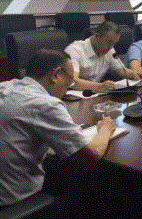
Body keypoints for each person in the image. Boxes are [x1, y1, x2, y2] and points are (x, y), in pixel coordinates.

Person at [0, 49, 115, 208]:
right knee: (91, 191)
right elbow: (91, 155)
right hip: (14, 198)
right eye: (69, 82)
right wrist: (105, 130)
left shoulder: (5, 86)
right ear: (55, 74)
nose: (67, 89)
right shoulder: (46, 104)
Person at [65, 21, 142, 92]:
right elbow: (72, 81)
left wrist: (133, 74)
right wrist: (99, 86)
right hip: (73, 96)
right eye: (109, 42)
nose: (110, 47)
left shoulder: (109, 50)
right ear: (97, 36)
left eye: (113, 44)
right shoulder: (75, 50)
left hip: (95, 94)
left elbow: (120, 71)